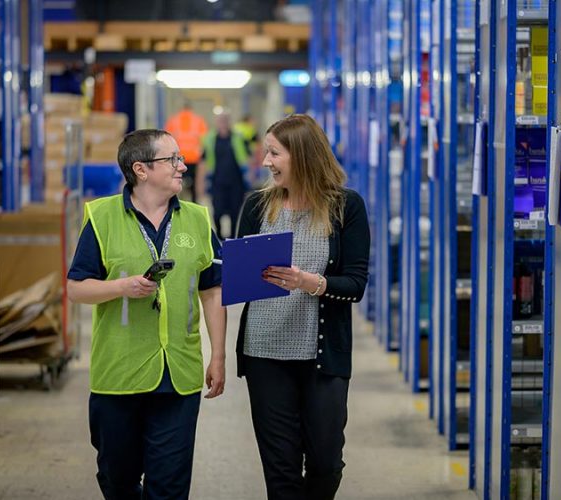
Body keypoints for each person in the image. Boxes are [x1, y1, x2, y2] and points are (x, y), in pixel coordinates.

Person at [67, 129, 226, 500]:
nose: (182, 166)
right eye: (171, 159)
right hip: (119, 374)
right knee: (117, 479)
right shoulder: (101, 217)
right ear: (141, 169)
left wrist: (217, 355)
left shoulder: (198, 220)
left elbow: (212, 289)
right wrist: (121, 288)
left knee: (169, 486)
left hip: (179, 374)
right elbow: (76, 288)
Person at [235, 114, 370, 500]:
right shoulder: (258, 206)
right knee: (281, 468)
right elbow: (243, 276)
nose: (266, 162)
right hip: (264, 353)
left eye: (274, 153)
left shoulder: (347, 207)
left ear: (303, 155)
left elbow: (356, 284)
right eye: (266, 153)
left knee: (326, 463)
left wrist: (310, 282)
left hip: (321, 357)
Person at [198, 113, 249, 239]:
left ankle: (232, 239)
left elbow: (248, 157)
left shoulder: (238, 137)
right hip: (217, 182)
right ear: (216, 122)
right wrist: (200, 184)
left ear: (229, 122)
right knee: (217, 212)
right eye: (220, 121)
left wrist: (251, 176)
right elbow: (203, 162)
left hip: (236, 182)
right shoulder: (210, 139)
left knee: (235, 213)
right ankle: (220, 236)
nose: (223, 123)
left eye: (225, 120)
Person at [165, 102, 208, 202]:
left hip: (178, 158)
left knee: (176, 182)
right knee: (193, 186)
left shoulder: (173, 120)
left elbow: (166, 139)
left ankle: (176, 203)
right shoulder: (198, 120)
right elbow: (204, 140)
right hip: (194, 157)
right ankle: (193, 204)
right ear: (191, 109)